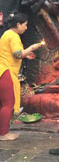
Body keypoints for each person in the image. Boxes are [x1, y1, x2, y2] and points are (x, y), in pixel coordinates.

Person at [0, 12, 43, 141]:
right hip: (6, 71)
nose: (26, 27)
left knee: (5, 103)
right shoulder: (12, 35)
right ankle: (4, 133)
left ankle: (3, 131)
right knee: (8, 104)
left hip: (4, 70)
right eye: (25, 25)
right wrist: (32, 48)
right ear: (18, 24)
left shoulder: (8, 34)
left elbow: (14, 54)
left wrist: (26, 54)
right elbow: (18, 54)